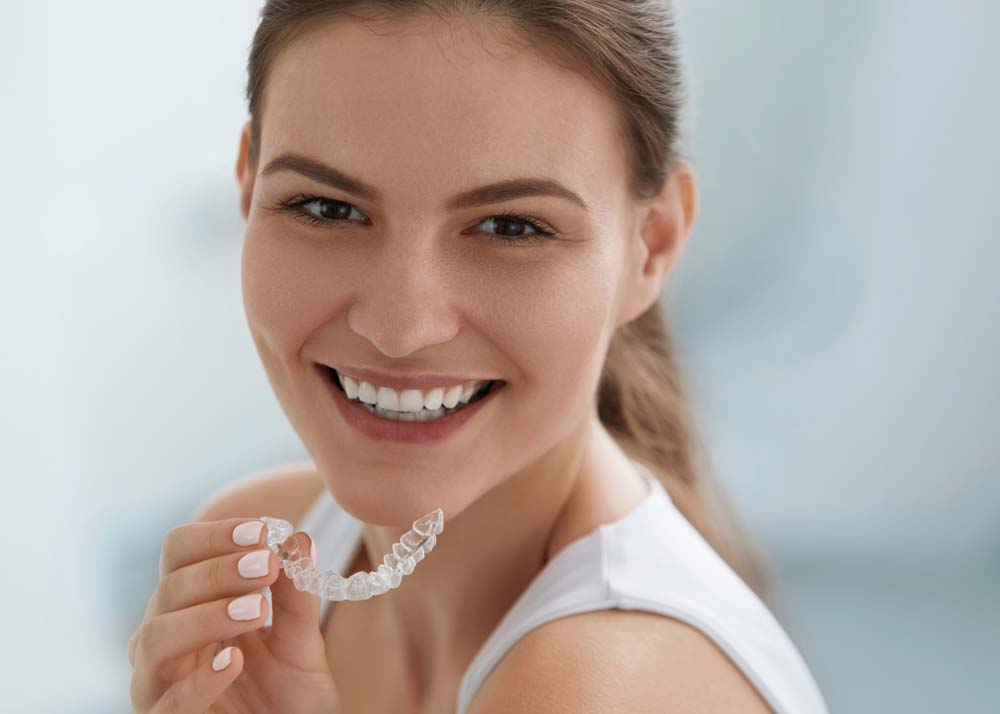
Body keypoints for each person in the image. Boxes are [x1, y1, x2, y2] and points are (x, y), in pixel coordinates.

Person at [128, 2, 830, 712]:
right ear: (248, 186)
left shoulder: (595, 687)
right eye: (327, 208)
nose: (399, 329)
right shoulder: (266, 557)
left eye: (509, 226)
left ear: (651, 245)